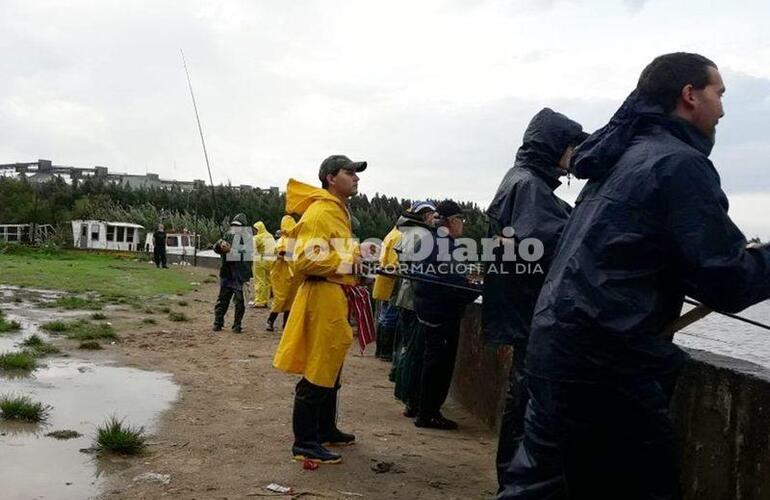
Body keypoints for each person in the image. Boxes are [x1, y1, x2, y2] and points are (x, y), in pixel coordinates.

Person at [499, 52, 770, 499]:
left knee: (539, 488)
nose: (722, 108)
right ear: (689, 95)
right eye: (718, 93)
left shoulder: (620, 162)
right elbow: (727, 281)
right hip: (607, 368)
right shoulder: (678, 164)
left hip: (556, 351)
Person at [484, 108, 588, 487]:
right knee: (528, 406)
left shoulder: (522, 180)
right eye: (573, 145)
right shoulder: (529, 186)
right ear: (555, 146)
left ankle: (511, 482)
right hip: (531, 315)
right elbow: (554, 245)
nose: (576, 154)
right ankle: (514, 484)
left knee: (522, 402)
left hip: (520, 312)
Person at [273, 154, 368, 464]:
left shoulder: (336, 211)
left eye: (356, 173)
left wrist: (354, 259)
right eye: (349, 172)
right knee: (317, 368)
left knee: (331, 365)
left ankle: (326, 429)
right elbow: (306, 260)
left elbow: (330, 252)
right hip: (322, 296)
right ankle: (304, 442)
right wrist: (350, 261)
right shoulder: (320, 212)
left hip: (335, 295)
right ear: (330, 178)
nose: (355, 178)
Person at [412, 200, 480, 430]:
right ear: (451, 222)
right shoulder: (443, 244)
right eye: (461, 219)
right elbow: (450, 284)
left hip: (430, 309)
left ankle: (422, 409)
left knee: (430, 361)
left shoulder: (432, 240)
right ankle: (429, 414)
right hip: (440, 313)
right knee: (438, 365)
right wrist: (476, 290)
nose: (463, 225)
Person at [390, 201, 437, 418]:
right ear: (425, 216)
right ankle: (411, 399)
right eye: (432, 215)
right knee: (414, 351)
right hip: (414, 299)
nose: (435, 219)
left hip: (404, 296)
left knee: (406, 347)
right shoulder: (423, 235)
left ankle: (405, 394)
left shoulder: (406, 232)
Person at [213, 214, 253, 334]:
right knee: (222, 300)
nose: (235, 228)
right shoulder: (227, 235)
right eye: (234, 225)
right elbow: (216, 248)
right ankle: (218, 322)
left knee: (239, 301)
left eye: (238, 226)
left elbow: (246, 253)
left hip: (239, 275)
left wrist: (231, 250)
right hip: (227, 273)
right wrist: (220, 245)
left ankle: (237, 325)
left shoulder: (247, 239)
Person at [372, 220, 403, 361]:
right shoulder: (399, 237)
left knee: (384, 316)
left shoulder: (391, 234)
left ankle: (380, 351)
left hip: (384, 279)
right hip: (391, 281)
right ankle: (385, 352)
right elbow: (394, 263)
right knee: (390, 316)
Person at [266, 215, 300, 332]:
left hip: (293, 275)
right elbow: (279, 254)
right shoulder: (281, 241)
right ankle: (270, 320)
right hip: (281, 274)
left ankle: (286, 325)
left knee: (291, 300)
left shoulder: (296, 241)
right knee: (280, 299)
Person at [252, 221, 275, 308]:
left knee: (259, 281)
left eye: (255, 229)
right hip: (271, 262)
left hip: (259, 261)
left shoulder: (257, 237)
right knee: (269, 282)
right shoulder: (270, 236)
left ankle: (260, 301)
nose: (254, 231)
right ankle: (268, 300)